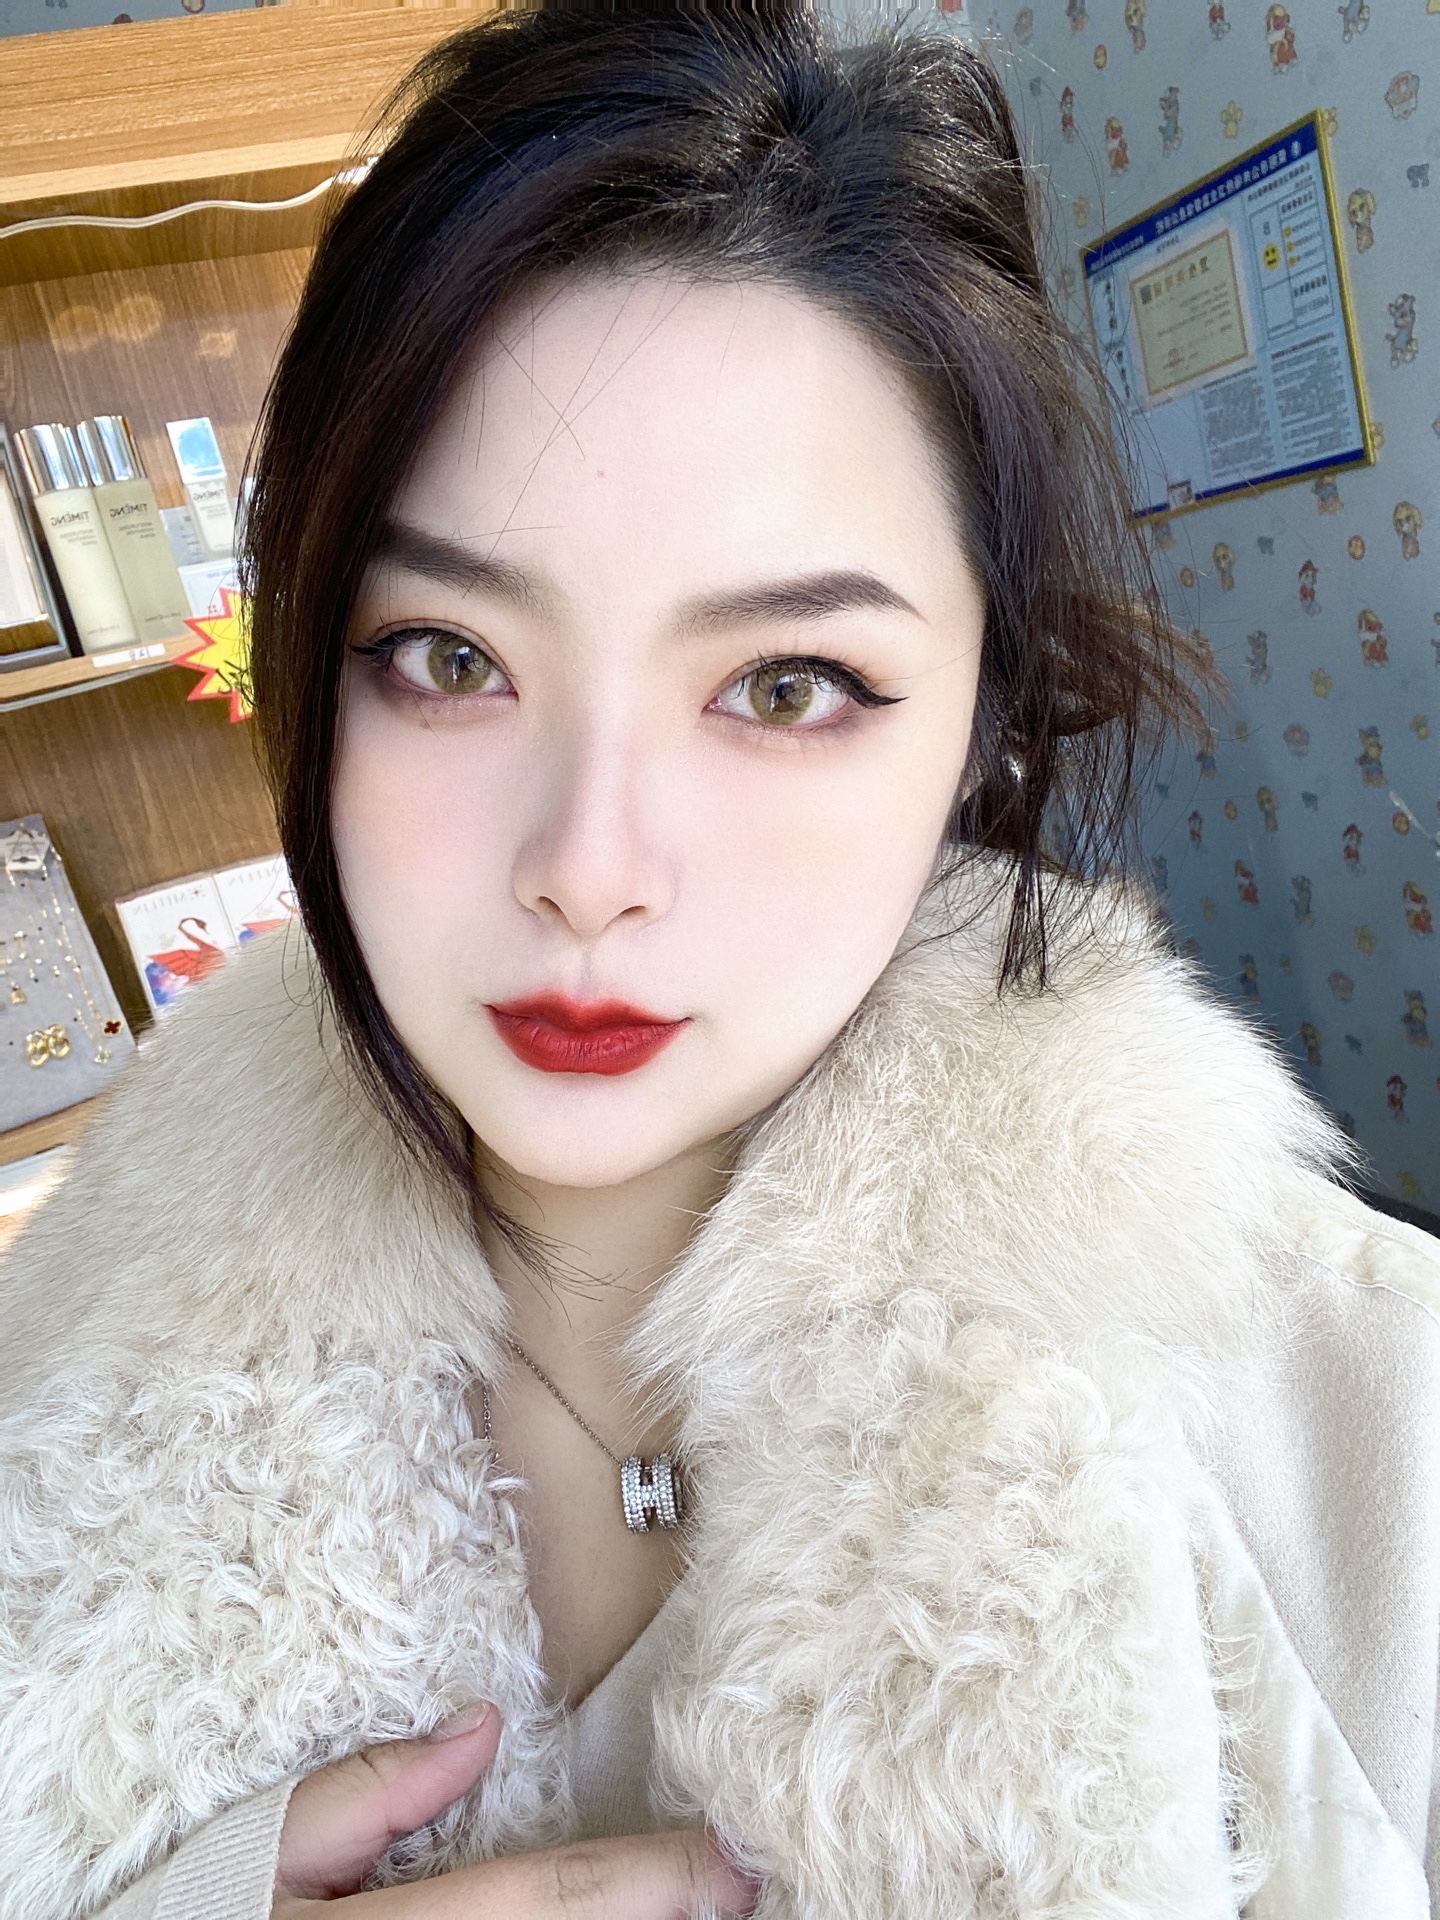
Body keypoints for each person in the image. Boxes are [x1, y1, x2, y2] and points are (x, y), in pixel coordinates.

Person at [2, 7, 1439, 1917]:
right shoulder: (57, 1383)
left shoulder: (1364, 1416)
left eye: (784, 685)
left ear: (985, 727)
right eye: (447, 656)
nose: (589, 872)